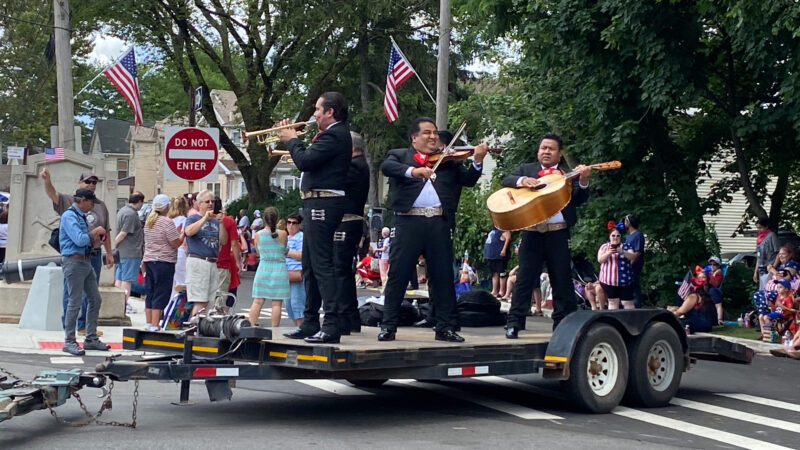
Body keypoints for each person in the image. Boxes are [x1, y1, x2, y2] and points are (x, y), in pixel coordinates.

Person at [377, 117, 487, 342]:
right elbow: (387, 167)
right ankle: (388, 325)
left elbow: (468, 180)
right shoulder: (399, 155)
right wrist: (413, 172)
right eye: (427, 133)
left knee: (443, 276)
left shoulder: (449, 161)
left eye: (435, 133)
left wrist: (477, 160)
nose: (433, 137)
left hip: (438, 222)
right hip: (408, 222)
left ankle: (445, 327)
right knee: (398, 275)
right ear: (414, 138)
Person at [278, 91, 352, 344]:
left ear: (330, 111)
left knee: (322, 265)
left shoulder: (335, 134)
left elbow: (305, 161)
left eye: (318, 109)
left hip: (325, 202)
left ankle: (331, 324)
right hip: (314, 201)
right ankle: (310, 321)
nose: (315, 114)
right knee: (309, 265)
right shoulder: (330, 134)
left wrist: (292, 140)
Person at [502, 133, 591, 337]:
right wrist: (524, 181)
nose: (546, 152)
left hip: (558, 233)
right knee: (524, 279)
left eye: (551, 149)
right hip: (532, 233)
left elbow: (578, 199)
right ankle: (514, 323)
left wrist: (584, 181)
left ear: (559, 154)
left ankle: (563, 326)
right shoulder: (527, 169)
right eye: (543, 148)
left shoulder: (567, 174)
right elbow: (506, 180)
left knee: (561, 280)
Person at [41, 168, 113, 337]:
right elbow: (53, 195)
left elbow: (106, 232)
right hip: (74, 256)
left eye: (94, 182)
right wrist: (46, 180)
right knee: (73, 295)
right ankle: (69, 329)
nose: (91, 184)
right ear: (80, 184)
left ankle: (86, 329)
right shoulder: (70, 205)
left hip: (92, 255)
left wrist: (109, 253)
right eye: (88, 181)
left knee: (93, 296)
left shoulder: (100, 205)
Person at [59, 188, 110, 355]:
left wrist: (96, 239)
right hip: (73, 261)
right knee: (75, 302)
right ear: (81, 200)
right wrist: (94, 232)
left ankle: (91, 338)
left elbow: (85, 240)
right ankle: (69, 341)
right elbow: (79, 239)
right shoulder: (69, 216)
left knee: (95, 299)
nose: (92, 206)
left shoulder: (80, 216)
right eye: (90, 202)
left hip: (85, 260)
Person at [332, 131, 370, 334]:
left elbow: (333, 180)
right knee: (343, 271)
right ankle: (350, 318)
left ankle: (344, 318)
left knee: (340, 271)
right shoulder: (357, 165)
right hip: (349, 222)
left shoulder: (355, 166)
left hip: (348, 222)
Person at [142, 194, 183, 331]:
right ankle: (155, 324)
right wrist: (182, 234)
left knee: (151, 292)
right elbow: (175, 243)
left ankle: (148, 323)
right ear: (167, 207)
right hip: (164, 261)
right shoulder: (167, 222)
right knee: (161, 292)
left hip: (149, 260)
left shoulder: (149, 221)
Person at [184, 190, 225, 315]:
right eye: (207, 201)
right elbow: (188, 232)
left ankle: (202, 327)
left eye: (213, 201)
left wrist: (221, 223)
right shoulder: (193, 218)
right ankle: (194, 326)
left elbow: (222, 241)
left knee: (210, 301)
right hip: (198, 261)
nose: (210, 204)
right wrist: (204, 218)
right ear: (199, 203)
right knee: (200, 301)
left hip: (212, 261)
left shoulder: (215, 222)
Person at [250, 207, 290, 327]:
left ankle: (251, 327)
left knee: (258, 301)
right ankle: (274, 330)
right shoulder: (283, 234)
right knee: (277, 304)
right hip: (279, 269)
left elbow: (258, 252)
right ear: (277, 218)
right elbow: (285, 250)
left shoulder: (258, 235)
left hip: (263, 268)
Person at [114, 191, 145, 302]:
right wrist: (113, 245)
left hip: (121, 252)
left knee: (119, 278)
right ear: (140, 201)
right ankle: (123, 304)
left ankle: (117, 302)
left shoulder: (122, 210)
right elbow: (123, 233)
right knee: (127, 280)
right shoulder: (131, 214)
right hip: (130, 252)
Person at [597, 226, 635, 310]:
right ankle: (614, 321)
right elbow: (600, 260)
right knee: (613, 302)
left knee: (628, 302)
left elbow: (632, 257)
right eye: (613, 235)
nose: (615, 238)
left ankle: (631, 321)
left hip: (625, 280)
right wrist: (609, 253)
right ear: (609, 236)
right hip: (609, 281)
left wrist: (622, 251)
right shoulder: (604, 247)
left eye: (618, 236)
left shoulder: (626, 246)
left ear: (621, 237)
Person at [215, 197, 242, 311]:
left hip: (206, 262)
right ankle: (217, 323)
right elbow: (234, 244)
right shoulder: (228, 221)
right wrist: (238, 261)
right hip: (222, 263)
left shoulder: (201, 219)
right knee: (220, 298)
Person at [168, 195, 191, 301]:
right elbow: (185, 242)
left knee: (172, 284)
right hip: (181, 254)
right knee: (181, 285)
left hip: (169, 254)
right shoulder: (186, 221)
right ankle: (177, 310)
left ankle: (168, 308)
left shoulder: (168, 221)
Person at [284, 213, 305, 327]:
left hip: (297, 272)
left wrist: (286, 252)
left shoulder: (301, 237)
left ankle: (301, 328)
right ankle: (297, 327)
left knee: (297, 304)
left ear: (299, 225)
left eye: (294, 223)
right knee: (289, 306)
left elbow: (302, 255)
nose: (291, 225)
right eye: (289, 222)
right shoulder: (286, 238)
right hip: (286, 274)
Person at [483, 226, 511, 298]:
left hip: (499, 256)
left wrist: (504, 249)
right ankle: (494, 290)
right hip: (491, 256)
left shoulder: (503, 229)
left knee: (502, 273)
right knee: (494, 274)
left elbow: (508, 237)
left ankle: (501, 291)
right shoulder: (493, 230)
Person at [623, 214, 644, 307]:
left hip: (634, 264)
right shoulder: (628, 236)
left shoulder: (638, 235)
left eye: (625, 221)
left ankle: (637, 305)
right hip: (627, 264)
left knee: (634, 284)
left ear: (629, 223)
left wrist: (630, 264)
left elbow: (637, 252)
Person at [754, 217, 780, 289]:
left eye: (760, 228)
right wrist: (755, 272)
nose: (758, 230)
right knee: (762, 291)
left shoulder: (772, 236)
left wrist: (773, 267)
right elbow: (759, 257)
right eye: (757, 228)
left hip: (770, 268)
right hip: (761, 270)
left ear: (766, 226)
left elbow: (778, 253)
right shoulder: (759, 238)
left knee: (769, 289)